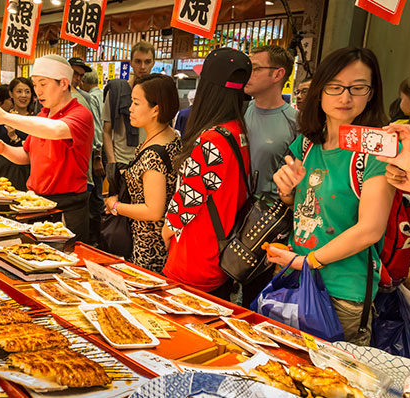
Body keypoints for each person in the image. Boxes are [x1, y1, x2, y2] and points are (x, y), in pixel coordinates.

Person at [270, 47, 395, 345]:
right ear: (320, 90)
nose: (345, 97)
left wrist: (307, 262)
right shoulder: (306, 143)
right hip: (294, 280)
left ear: (371, 92)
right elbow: (298, 205)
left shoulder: (378, 149)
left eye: (357, 87)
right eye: (335, 87)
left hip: (341, 293)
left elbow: (370, 230)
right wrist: (286, 191)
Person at [161, 48, 252, 300]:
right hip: (221, 253)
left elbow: (189, 198)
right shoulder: (238, 130)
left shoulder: (212, 139)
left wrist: (166, 230)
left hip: (195, 256)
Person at [0, 54, 94, 241]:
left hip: (67, 206)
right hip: (35, 203)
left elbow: (57, 130)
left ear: (64, 84)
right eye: (35, 84)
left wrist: (5, 117)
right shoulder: (42, 117)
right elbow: (27, 155)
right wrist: (4, 149)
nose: (38, 91)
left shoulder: (81, 114)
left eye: (43, 84)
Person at [104, 74, 181, 272]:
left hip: (147, 246)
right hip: (161, 242)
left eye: (136, 103)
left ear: (156, 109)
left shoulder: (153, 155)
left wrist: (116, 206)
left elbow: (152, 211)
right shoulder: (172, 137)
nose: (130, 108)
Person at [244, 45, 298, 199]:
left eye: (255, 69)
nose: (249, 74)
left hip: (268, 213)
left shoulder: (295, 122)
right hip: (234, 209)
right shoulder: (240, 112)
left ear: (277, 74)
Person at [102, 41, 155, 178]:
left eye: (147, 61)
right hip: (122, 162)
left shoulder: (158, 95)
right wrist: (112, 163)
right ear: (130, 62)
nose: (142, 67)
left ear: (153, 63)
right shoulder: (116, 91)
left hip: (149, 162)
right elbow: (106, 131)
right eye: (138, 61)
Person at [0, 78, 32, 190]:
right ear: (11, 94)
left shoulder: (36, 119)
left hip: (28, 171)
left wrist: (15, 138)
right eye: (19, 91)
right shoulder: (2, 117)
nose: (23, 95)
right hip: (3, 169)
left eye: (27, 91)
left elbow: (36, 148)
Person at [82, 69, 105, 245]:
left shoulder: (91, 98)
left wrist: (97, 157)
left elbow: (97, 127)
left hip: (96, 153)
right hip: (101, 150)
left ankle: (95, 238)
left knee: (96, 197)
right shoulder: (102, 94)